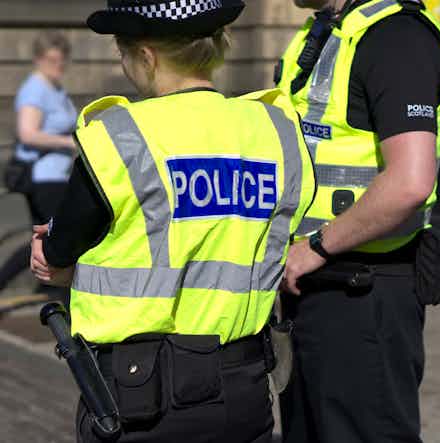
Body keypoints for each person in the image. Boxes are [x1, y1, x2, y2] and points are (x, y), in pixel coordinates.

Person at [29, 1, 315, 442]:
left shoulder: (120, 136)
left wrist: (50, 257)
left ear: (147, 55)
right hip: (245, 387)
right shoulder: (275, 128)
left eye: (122, 52)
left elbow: (58, 255)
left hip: (142, 397)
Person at [276, 0, 440, 442]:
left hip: (363, 295)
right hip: (317, 291)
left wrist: (316, 246)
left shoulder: (396, 39)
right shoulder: (324, 31)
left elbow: (410, 181)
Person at [0, 32, 76, 293]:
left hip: (57, 176)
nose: (59, 66)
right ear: (39, 60)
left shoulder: (56, 88)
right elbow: (28, 133)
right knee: (57, 238)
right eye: (53, 60)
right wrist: (68, 143)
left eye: (62, 60)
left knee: (44, 240)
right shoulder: (35, 89)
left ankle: (53, 293)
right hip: (46, 179)